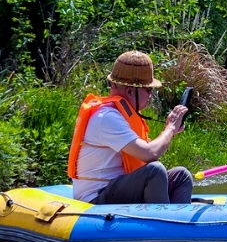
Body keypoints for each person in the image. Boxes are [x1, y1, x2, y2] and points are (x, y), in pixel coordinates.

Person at [68, 51, 194, 204]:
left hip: (119, 190)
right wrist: (170, 129)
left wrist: (169, 130)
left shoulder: (120, 115)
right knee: (155, 172)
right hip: (96, 198)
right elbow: (150, 153)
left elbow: (144, 152)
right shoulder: (107, 117)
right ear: (129, 91)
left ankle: (178, 221)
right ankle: (162, 223)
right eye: (148, 90)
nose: (150, 95)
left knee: (181, 176)